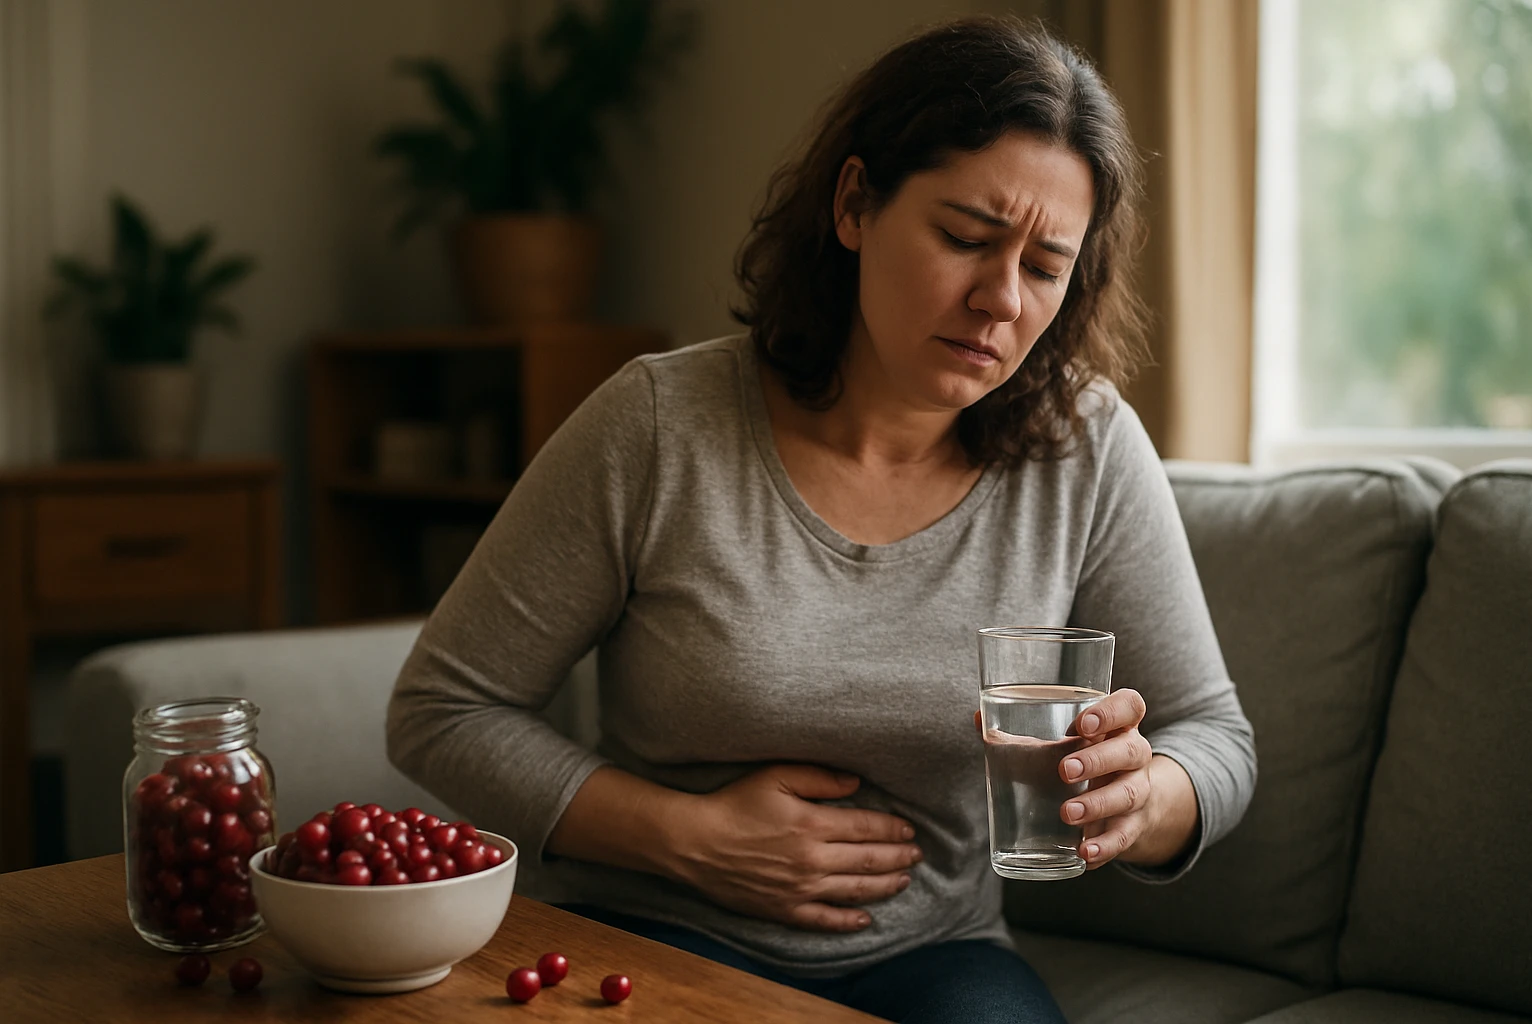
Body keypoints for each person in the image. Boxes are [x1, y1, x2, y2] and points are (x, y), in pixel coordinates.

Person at [387, 15, 1256, 1023]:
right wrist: (687, 835)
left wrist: (1149, 797)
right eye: (965, 237)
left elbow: (1216, 736)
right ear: (855, 204)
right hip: (650, 931)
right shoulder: (659, 425)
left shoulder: (1086, 447)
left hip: (939, 959)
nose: (999, 300)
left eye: (1045, 267)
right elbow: (441, 709)